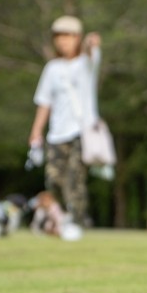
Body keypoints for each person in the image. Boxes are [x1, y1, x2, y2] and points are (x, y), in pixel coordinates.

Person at [28, 15, 102, 230]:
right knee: (53, 180)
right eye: (59, 36)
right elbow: (44, 102)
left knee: (74, 179)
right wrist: (36, 131)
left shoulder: (86, 63)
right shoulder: (52, 68)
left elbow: (91, 52)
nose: (63, 41)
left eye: (68, 36)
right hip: (56, 134)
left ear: (77, 38)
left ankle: (78, 221)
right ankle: (59, 219)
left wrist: (91, 42)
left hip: (82, 131)